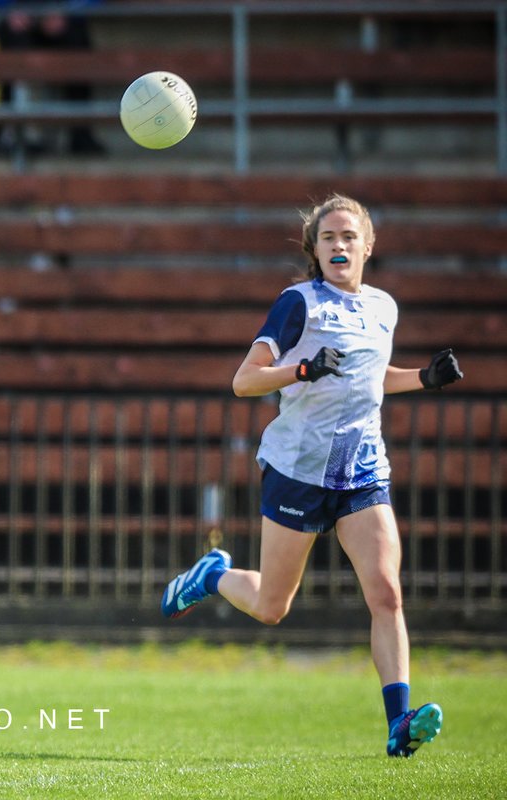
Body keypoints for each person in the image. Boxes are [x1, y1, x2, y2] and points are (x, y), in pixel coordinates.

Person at [159, 194, 463, 757]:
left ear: (368, 246)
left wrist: (423, 378)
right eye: (328, 238)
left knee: (388, 594)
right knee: (274, 606)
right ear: (314, 249)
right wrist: (300, 368)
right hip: (298, 472)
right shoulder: (298, 304)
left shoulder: (384, 308)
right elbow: (243, 382)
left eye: (349, 237)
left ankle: (399, 725)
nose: (339, 245)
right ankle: (211, 577)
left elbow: (371, 379)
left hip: (362, 473)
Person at [0, 0, 107, 157]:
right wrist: (10, 11)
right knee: (13, 51)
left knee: (78, 46)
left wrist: (66, 12)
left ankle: (81, 134)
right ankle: (9, 133)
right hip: (19, 18)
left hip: (66, 19)